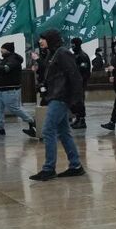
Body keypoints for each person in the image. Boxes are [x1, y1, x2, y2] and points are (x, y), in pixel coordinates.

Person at [29, 29, 84, 181]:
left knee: (47, 130)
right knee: (64, 132)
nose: (40, 41)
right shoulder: (52, 54)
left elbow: (74, 76)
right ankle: (76, 166)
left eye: (43, 38)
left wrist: (76, 100)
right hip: (55, 96)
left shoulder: (62, 53)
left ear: (51, 39)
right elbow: (51, 75)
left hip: (61, 97)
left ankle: (49, 168)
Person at [0, 41, 38, 138]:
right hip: (0, 89)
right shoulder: (5, 59)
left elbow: (6, 69)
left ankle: (31, 121)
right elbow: (1, 72)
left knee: (14, 108)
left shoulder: (14, 59)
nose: (1, 52)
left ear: (7, 50)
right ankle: (0, 128)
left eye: (2, 50)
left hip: (11, 90)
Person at [69, 37, 92, 129]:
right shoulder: (74, 55)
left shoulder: (82, 56)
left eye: (73, 44)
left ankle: (82, 120)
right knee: (75, 102)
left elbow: (84, 71)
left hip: (80, 82)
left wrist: (81, 81)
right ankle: (78, 118)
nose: (72, 46)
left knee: (79, 101)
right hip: (74, 82)